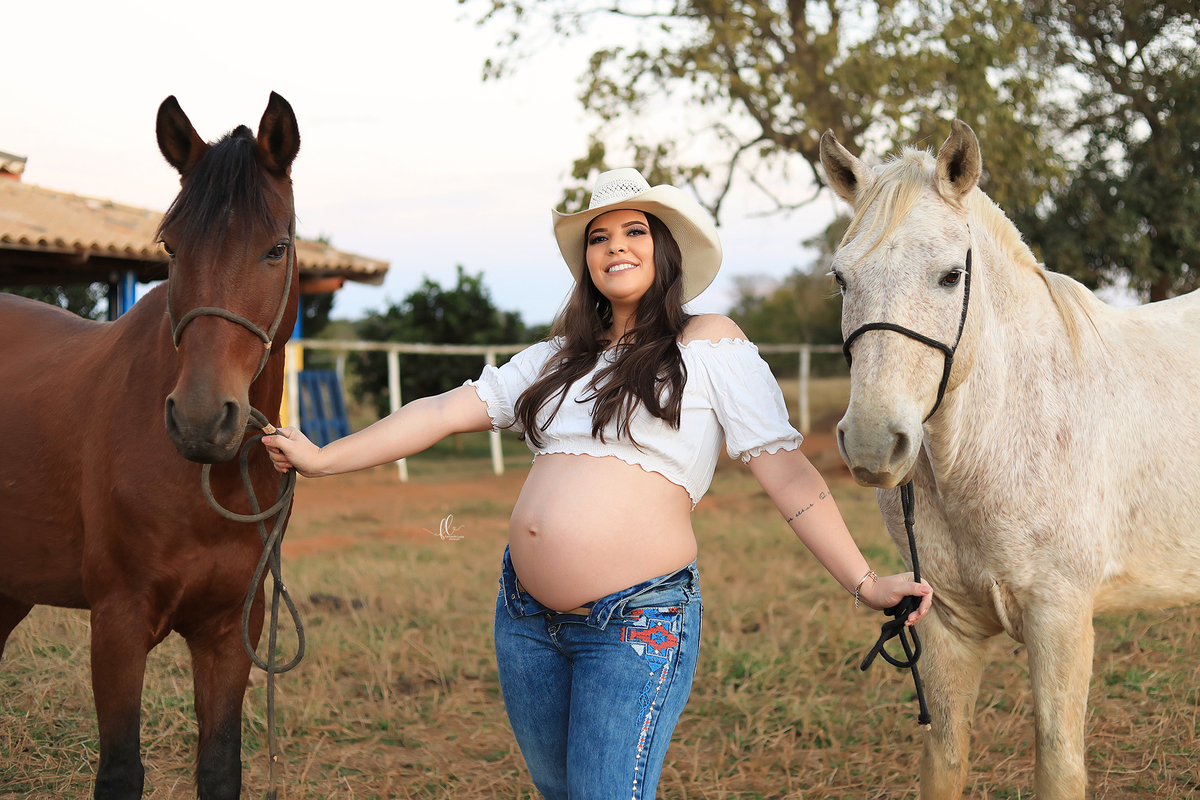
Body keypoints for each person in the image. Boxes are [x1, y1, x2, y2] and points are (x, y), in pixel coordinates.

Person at [262, 168, 933, 799]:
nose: (615, 247)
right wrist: (325, 458)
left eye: (634, 231)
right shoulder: (560, 355)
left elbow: (787, 474)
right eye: (599, 238)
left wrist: (865, 582)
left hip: (637, 624)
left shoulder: (709, 344)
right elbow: (439, 411)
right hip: (524, 618)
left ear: (664, 248)